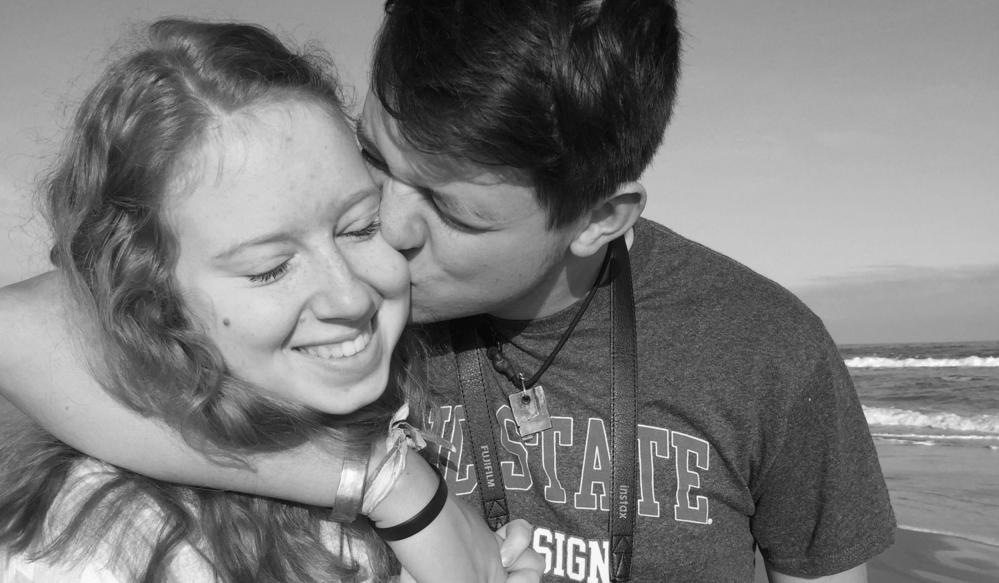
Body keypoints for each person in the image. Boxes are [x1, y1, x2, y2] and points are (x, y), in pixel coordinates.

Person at [1, 1, 896, 581]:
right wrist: (397, 489)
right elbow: (33, 332)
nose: (383, 230)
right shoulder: (346, 324)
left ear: (597, 217)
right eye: (374, 159)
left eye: (449, 210)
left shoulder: (764, 349)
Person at [0, 18, 541, 583]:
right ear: (155, 303)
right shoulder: (105, 550)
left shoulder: (392, 404)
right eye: (270, 268)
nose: (349, 296)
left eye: (361, 227)